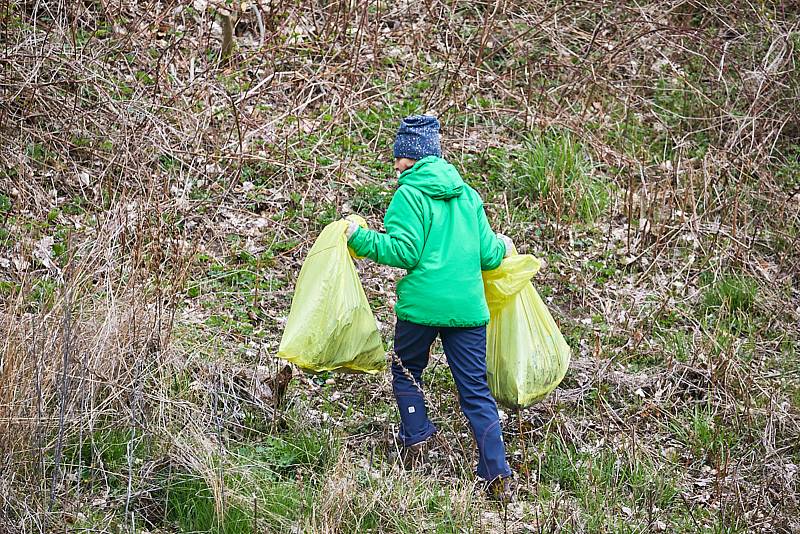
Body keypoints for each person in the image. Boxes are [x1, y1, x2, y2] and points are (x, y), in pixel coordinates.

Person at [345, 115, 515, 501]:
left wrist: (359, 239)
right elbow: (489, 257)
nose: (395, 166)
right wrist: (503, 245)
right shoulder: (468, 194)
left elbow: (403, 250)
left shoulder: (409, 194)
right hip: (468, 311)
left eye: (399, 158)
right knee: (475, 390)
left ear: (412, 157)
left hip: (421, 307)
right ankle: (497, 474)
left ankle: (417, 439)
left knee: (407, 373)